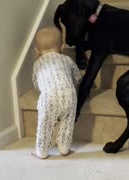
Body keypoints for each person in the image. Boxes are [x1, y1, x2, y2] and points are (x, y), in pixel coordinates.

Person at [31, 26, 81, 159]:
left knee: (45, 123)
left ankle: (41, 151)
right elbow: (77, 77)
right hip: (69, 95)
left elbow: (36, 82)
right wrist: (75, 82)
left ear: (37, 51)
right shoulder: (67, 60)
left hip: (49, 97)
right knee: (67, 122)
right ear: (62, 47)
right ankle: (64, 148)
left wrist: (42, 87)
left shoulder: (37, 64)